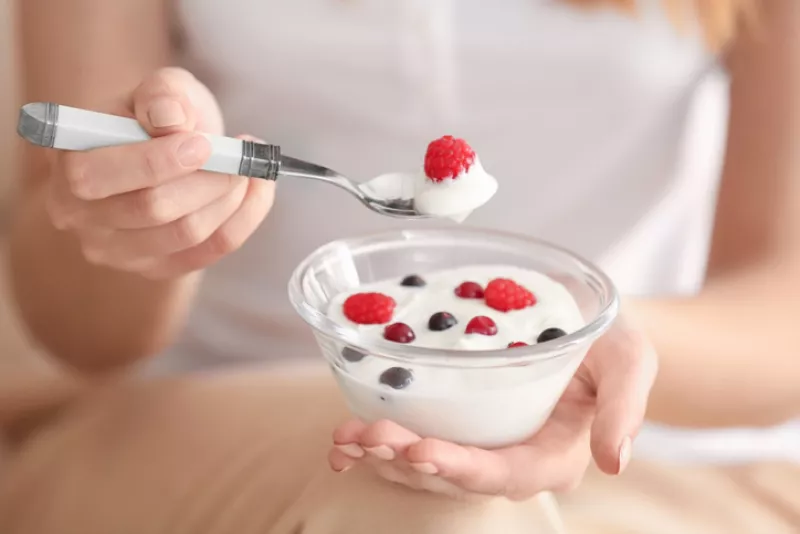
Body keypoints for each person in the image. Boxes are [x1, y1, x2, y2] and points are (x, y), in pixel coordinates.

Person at [3, 0, 800, 527]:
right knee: (425, 502)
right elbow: (76, 329)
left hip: (658, 462)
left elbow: (784, 305)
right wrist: (150, 218)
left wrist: (563, 351)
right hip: (199, 418)